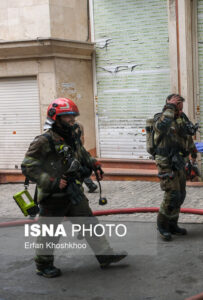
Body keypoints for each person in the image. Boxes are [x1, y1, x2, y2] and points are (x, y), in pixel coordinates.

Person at [21, 98, 126, 278]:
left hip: (73, 191)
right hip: (53, 195)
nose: (71, 119)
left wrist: (94, 164)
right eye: (67, 116)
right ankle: (43, 265)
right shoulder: (44, 140)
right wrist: (53, 181)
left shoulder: (72, 135)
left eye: (72, 115)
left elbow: (81, 153)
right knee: (49, 232)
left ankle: (105, 256)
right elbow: (28, 166)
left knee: (89, 224)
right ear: (56, 118)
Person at [153, 94, 198, 241]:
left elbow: (187, 136)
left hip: (179, 160)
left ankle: (173, 224)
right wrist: (170, 107)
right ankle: (162, 225)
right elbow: (161, 127)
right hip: (165, 161)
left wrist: (193, 151)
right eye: (176, 107)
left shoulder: (181, 118)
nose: (179, 110)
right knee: (171, 194)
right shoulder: (161, 118)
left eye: (180, 107)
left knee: (181, 194)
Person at [75, 122, 98, 193]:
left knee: (79, 168)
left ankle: (90, 185)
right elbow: (82, 137)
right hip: (80, 148)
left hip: (75, 150)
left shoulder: (68, 126)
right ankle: (91, 185)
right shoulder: (80, 125)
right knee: (81, 167)